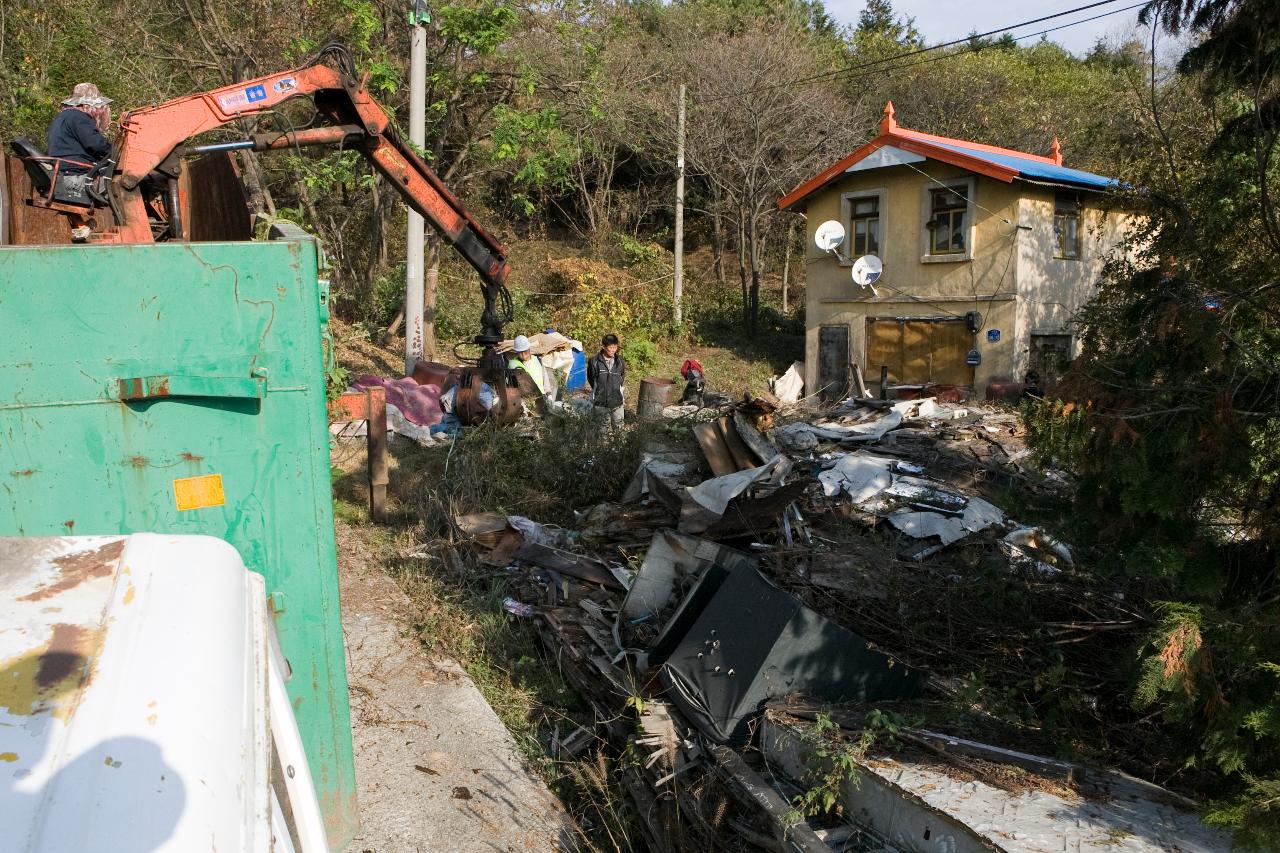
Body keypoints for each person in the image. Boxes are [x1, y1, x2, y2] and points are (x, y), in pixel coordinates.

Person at [47, 83, 113, 172]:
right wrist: (115, 151)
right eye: (95, 106)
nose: (97, 111)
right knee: (111, 183)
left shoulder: (63, 116)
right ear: (87, 105)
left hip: (62, 168)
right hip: (75, 171)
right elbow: (96, 144)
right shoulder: (78, 117)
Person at [586, 333, 626, 432]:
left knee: (619, 427)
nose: (613, 350)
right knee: (602, 429)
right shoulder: (594, 361)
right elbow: (591, 378)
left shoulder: (619, 361)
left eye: (615, 347)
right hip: (601, 402)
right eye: (610, 347)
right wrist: (599, 390)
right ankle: (602, 446)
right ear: (603, 347)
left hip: (617, 401)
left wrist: (616, 388)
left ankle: (619, 446)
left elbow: (622, 377)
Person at [507, 334, 551, 414]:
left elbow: (546, 380)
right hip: (525, 401)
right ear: (516, 352)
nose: (523, 355)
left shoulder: (538, 360)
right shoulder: (513, 364)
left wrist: (549, 394)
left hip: (542, 398)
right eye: (520, 353)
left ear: (529, 349)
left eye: (525, 352)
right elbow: (510, 386)